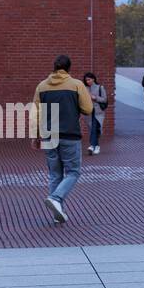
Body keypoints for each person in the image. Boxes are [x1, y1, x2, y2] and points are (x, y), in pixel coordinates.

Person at [33, 54, 93, 224]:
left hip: (48, 136)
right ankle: (56, 199)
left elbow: (36, 114)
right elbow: (88, 109)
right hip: (69, 135)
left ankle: (57, 213)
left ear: (54, 67)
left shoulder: (42, 86)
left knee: (55, 174)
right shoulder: (76, 85)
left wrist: (35, 136)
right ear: (69, 68)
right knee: (73, 172)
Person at [82, 72, 108, 155]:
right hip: (88, 112)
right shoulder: (84, 88)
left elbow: (104, 99)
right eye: (86, 80)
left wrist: (95, 98)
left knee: (94, 128)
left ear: (93, 79)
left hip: (98, 112)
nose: (87, 81)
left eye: (89, 79)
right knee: (92, 129)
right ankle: (97, 146)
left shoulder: (100, 87)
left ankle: (92, 146)